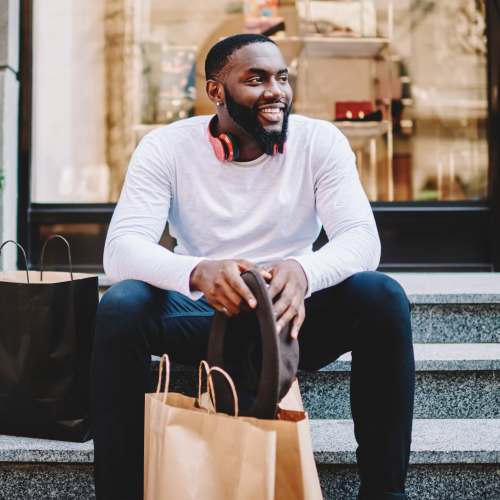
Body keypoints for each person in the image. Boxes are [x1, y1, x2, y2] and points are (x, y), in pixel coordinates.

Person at [91, 33, 415, 500]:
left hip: (289, 321)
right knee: (122, 305)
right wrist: (197, 272)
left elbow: (362, 240)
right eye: (256, 79)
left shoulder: (320, 142)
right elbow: (121, 249)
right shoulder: (166, 148)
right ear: (216, 92)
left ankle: (385, 493)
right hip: (203, 317)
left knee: (382, 296)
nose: (276, 91)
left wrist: (304, 274)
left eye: (282, 78)